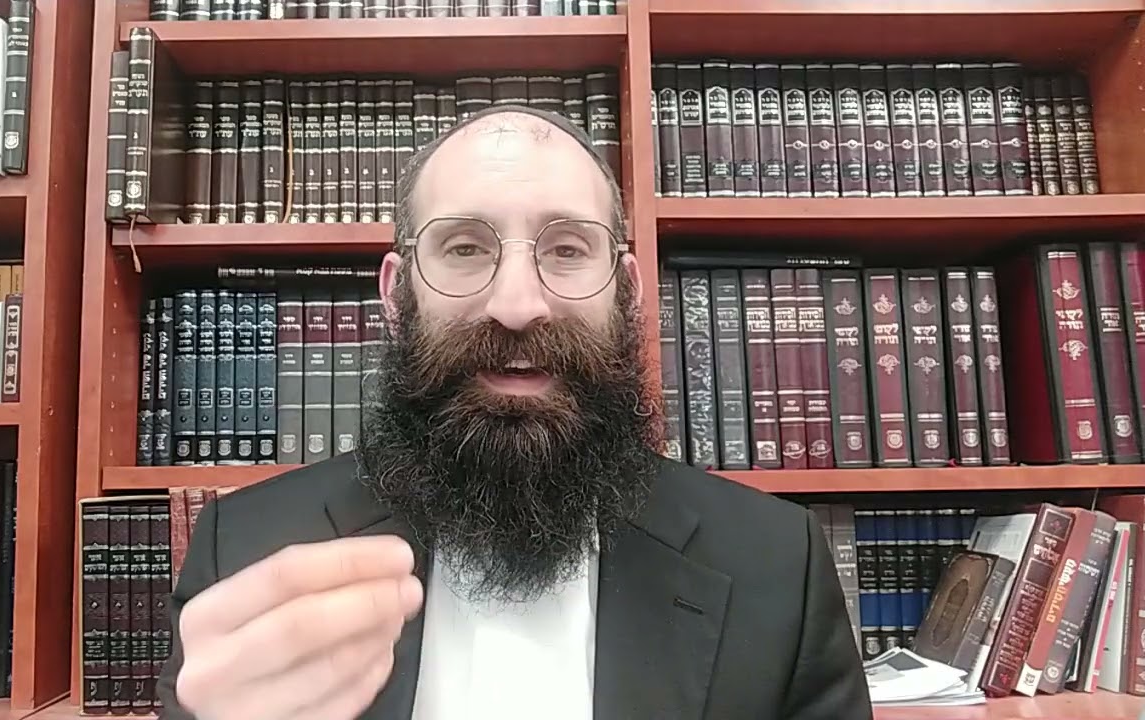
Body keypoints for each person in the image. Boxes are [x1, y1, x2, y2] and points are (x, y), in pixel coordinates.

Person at [154, 103, 873, 720]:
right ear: (398, 295)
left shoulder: (778, 565)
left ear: (626, 291)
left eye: (568, 249)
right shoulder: (244, 551)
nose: (518, 305)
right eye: (465, 248)